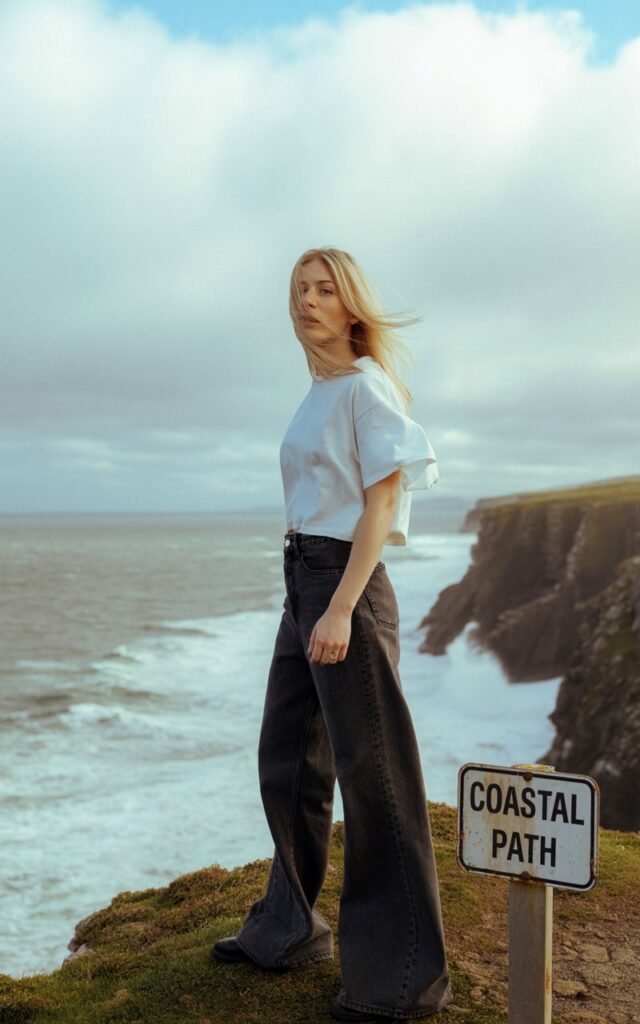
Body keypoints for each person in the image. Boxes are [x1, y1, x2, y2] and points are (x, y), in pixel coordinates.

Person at [212, 247, 453, 1021]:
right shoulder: (319, 392)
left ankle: (402, 981)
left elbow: (382, 505)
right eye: (298, 291)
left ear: (351, 306)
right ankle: (286, 930)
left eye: (324, 290)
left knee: (375, 778)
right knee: (288, 758)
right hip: (303, 577)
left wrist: (343, 608)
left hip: (343, 580)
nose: (308, 301)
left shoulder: (366, 387)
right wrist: (311, 600)